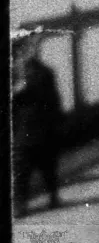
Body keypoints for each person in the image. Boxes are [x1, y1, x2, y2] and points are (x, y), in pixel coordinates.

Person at [12, 26, 64, 218]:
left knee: (48, 165)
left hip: (42, 128)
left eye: (34, 48)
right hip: (21, 130)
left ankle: (53, 195)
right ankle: (20, 204)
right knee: (21, 170)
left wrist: (58, 122)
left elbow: (53, 99)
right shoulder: (15, 75)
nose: (30, 52)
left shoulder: (45, 73)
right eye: (26, 48)